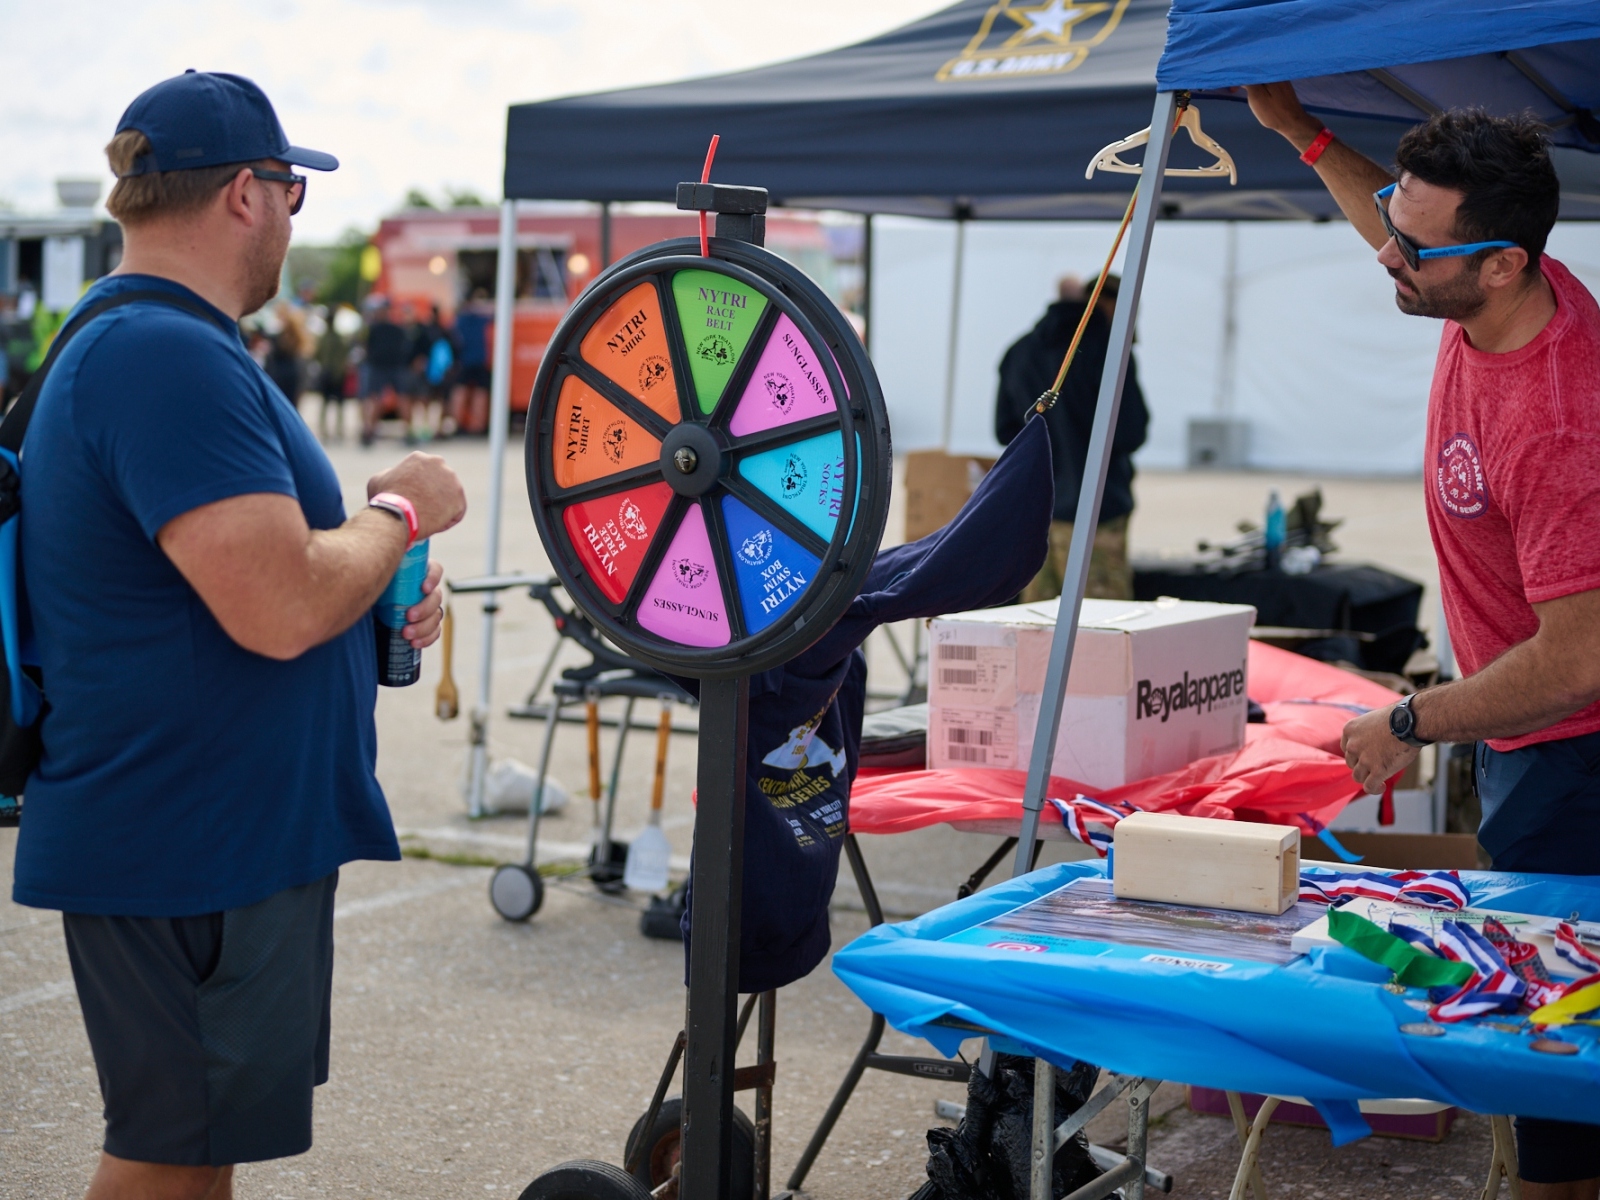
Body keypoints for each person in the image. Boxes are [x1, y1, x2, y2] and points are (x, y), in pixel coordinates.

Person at [12, 71, 467, 1200]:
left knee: (194, 1152)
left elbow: (270, 584)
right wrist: (397, 512)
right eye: (291, 190)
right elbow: (278, 606)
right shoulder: (162, 357)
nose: (288, 216)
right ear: (244, 196)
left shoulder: (156, 343)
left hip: (207, 836)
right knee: (166, 1163)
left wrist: (377, 586)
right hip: (188, 843)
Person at [1247, 87, 1600, 1200]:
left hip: (1576, 764)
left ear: (1498, 265)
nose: (1390, 257)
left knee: (1557, 1088)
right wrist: (1297, 131)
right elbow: (1391, 225)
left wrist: (1408, 722)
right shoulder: (1483, 286)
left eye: (1417, 247)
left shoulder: (1557, 418)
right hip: (1536, 751)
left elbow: (1579, 658)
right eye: (1398, 227)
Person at [994, 273, 1148, 601]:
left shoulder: (1019, 351)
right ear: (1107, 305)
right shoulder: (1108, 351)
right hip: (1098, 512)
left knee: (1035, 629)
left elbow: (1005, 430)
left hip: (1035, 512)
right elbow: (1132, 432)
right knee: (1100, 627)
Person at [359, 297, 414, 446]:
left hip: (383, 366)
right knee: (383, 399)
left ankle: (370, 431)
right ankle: (372, 430)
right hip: (390, 366)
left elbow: (366, 347)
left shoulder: (375, 328)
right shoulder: (398, 329)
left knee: (385, 398)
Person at [449, 288, 493, 435]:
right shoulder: (482, 318)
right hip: (479, 360)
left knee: (460, 392)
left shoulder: (461, 318)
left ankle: (457, 424)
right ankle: (477, 426)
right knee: (480, 393)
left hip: (464, 360)